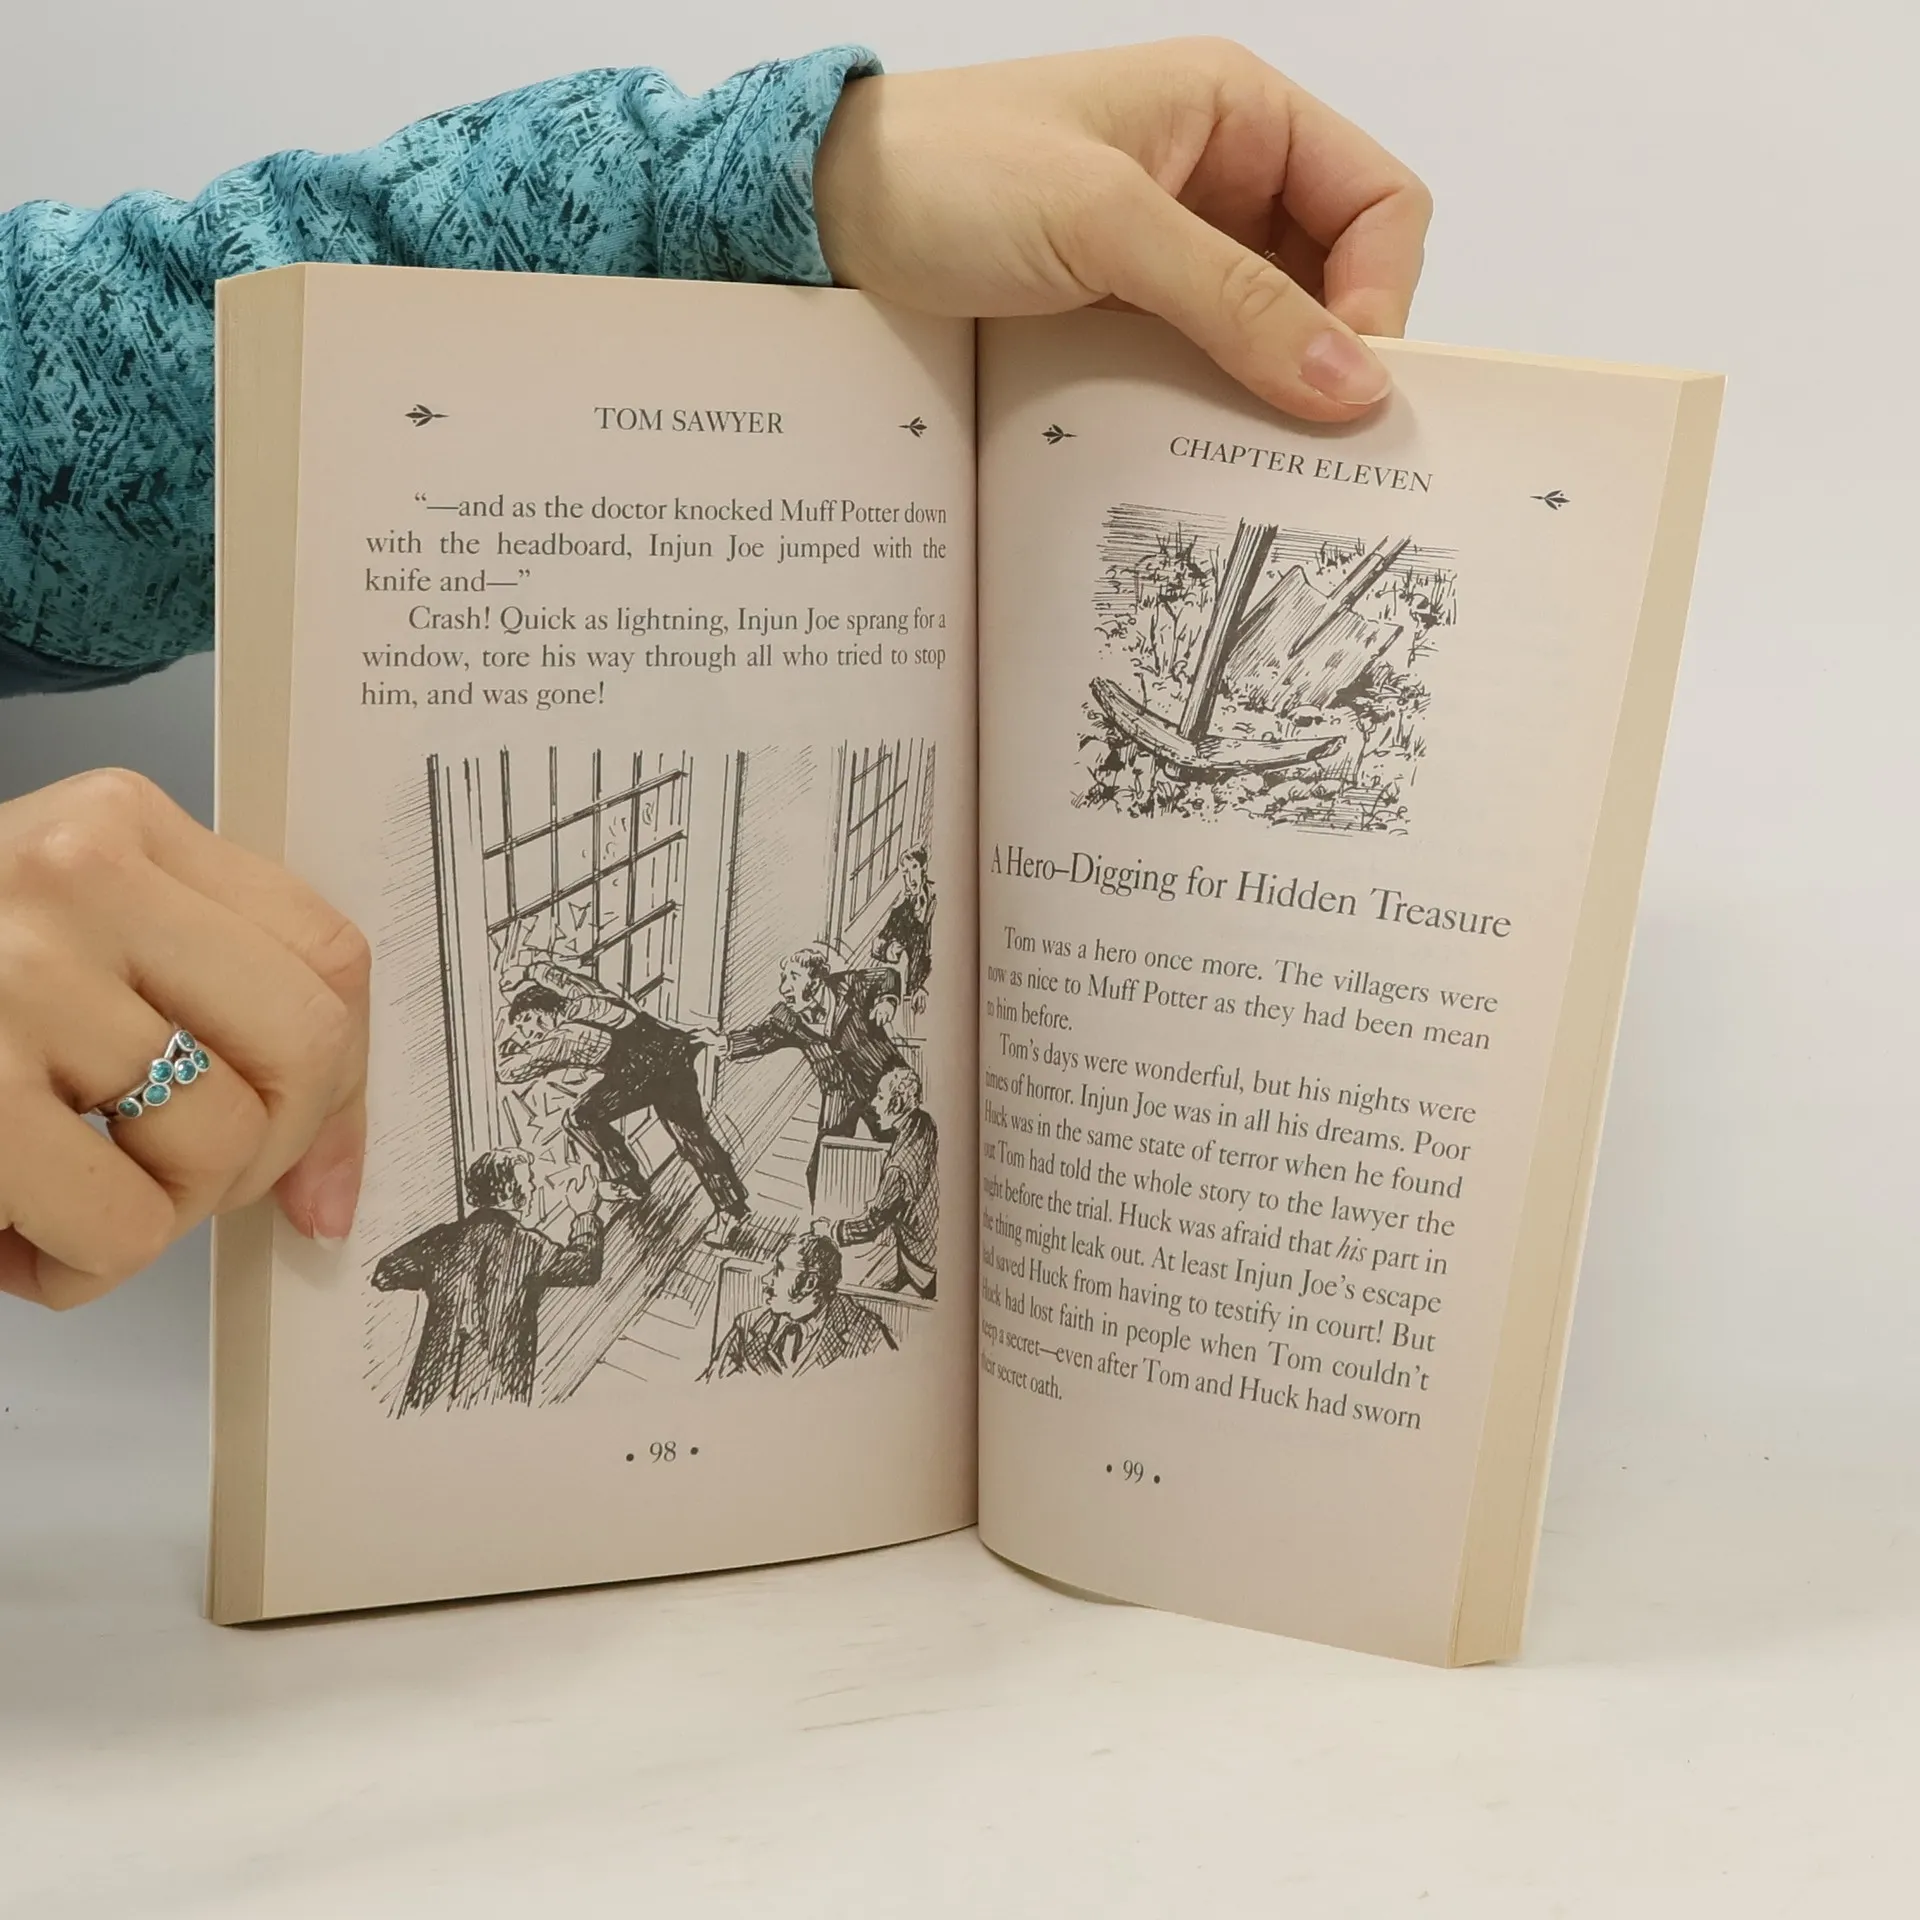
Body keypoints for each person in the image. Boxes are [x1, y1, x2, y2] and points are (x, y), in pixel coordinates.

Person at [0, 41, 1430, 1308]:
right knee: (684, 1141)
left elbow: (80, 395)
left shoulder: (750, 1014)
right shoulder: (661, 1029)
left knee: (715, 1139)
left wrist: (771, 186)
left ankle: (750, 1225)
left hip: (698, 1074)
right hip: (668, 1082)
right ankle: (724, 1228)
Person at [496, 955, 750, 1250]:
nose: (527, 1034)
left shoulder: (567, 1036)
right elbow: (561, 978)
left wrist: (506, 1051)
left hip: (648, 1076)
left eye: (525, 1025)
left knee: (584, 1119)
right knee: (691, 1139)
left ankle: (630, 1180)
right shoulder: (581, 997)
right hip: (671, 1055)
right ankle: (725, 1207)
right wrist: (528, 970)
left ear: (540, 1013)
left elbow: (512, 1071)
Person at [371, 1149, 603, 1410]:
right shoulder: (530, 1246)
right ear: (510, 1193)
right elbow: (585, 1267)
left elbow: (384, 1274)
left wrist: (435, 1277)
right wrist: (585, 1214)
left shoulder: (441, 1239)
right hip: (497, 1388)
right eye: (528, 1181)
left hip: (431, 1387)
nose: (533, 1187)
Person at [709, 945, 906, 1202]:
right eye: (784, 978)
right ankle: (826, 1220)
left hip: (884, 1083)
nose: (784, 988)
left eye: (793, 977)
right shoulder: (787, 1017)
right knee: (821, 1169)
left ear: (815, 981)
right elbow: (761, 1037)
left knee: (899, 1149)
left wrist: (887, 1001)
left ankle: (893, 1210)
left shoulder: (849, 986)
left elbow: (887, 976)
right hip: (840, 1093)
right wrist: (727, 1043)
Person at [818, 1065, 939, 1299]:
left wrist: (832, 1230)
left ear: (896, 1104)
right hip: (927, 1242)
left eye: (880, 1097)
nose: (874, 1103)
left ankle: (913, 1279)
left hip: (922, 1261)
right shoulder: (924, 1122)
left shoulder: (899, 1168)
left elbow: (872, 1224)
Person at [704, 1232, 894, 1379]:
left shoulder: (865, 1334)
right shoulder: (748, 1324)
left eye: (778, 1270)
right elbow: (711, 1385)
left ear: (809, 1283)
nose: (766, 1280)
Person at [873, 848, 936, 1001]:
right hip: (913, 992)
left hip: (936, 987)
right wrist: (889, 950)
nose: (910, 878)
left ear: (923, 868)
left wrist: (926, 986)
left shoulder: (938, 900)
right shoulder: (903, 910)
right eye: (905, 872)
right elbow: (877, 945)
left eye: (914, 867)